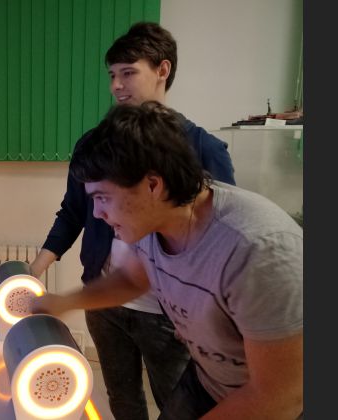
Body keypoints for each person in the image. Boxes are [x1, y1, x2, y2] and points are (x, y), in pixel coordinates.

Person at [33, 102, 303, 419]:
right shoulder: (152, 222)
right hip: (208, 380)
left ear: (153, 185)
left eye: (103, 198)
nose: (97, 213)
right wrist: (62, 303)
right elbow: (131, 280)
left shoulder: (259, 252)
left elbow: (280, 396)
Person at [29, 22, 235, 419]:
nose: (117, 86)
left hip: (168, 315)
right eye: (112, 75)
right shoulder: (96, 148)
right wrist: (39, 271)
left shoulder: (203, 150)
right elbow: (75, 214)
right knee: (122, 399)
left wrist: (199, 318)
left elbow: (217, 243)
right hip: (106, 301)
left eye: (128, 73)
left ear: (162, 70)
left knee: (178, 403)